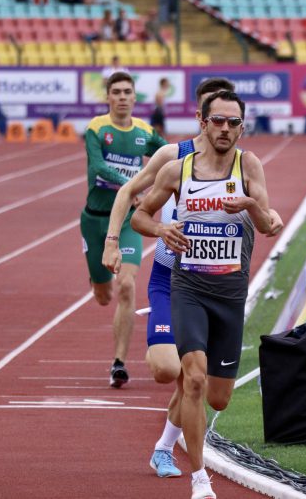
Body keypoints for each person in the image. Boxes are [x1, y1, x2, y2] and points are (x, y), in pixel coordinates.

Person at [102, 78, 283, 481]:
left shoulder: (244, 164)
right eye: (213, 117)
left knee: (201, 384)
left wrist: (261, 212)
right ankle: (187, 466)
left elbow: (266, 218)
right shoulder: (174, 157)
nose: (221, 126)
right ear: (201, 118)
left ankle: (165, 444)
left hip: (222, 286)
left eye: (231, 120)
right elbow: (130, 194)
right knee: (173, 371)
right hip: (174, 280)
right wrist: (113, 241)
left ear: (239, 125)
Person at [80, 71, 167, 388]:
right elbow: (98, 167)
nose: (121, 97)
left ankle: (118, 363)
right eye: (115, 92)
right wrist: (132, 184)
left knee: (127, 285)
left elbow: (170, 155)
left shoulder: (145, 132)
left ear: (134, 97)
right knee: (104, 296)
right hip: (94, 220)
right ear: (107, 97)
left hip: (128, 221)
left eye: (127, 92)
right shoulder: (97, 129)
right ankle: (96, 279)